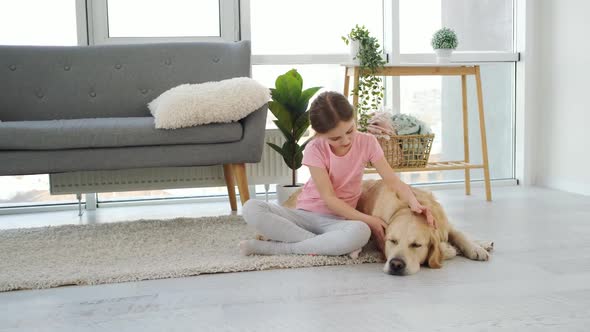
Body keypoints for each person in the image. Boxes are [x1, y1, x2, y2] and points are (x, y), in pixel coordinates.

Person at [240, 91, 435, 257]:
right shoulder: (314, 149)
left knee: (361, 232)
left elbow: (393, 181)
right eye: (335, 138)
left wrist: (415, 203)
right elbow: (329, 199)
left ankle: (277, 247)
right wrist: (371, 219)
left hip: (338, 222)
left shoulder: (368, 142)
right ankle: (322, 245)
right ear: (319, 133)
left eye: (350, 130)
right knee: (251, 208)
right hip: (303, 216)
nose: (346, 140)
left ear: (354, 119)